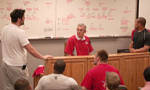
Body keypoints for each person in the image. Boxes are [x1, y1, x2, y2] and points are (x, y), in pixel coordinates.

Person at [0, 9, 52, 90]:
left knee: (8, 88)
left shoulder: (4, 29)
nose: (24, 19)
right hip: (16, 67)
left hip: (5, 65)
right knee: (23, 88)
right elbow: (30, 49)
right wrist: (43, 57)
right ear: (19, 19)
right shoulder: (19, 32)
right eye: (23, 17)